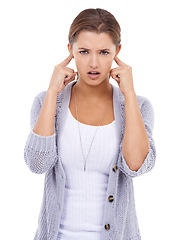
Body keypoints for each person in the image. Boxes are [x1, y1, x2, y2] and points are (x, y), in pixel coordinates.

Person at [24, 8, 156, 240]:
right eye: (84, 51)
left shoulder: (137, 106)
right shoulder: (47, 102)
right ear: (70, 51)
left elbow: (135, 166)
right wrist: (53, 92)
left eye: (104, 52)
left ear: (117, 52)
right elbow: (37, 164)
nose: (93, 63)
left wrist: (130, 94)